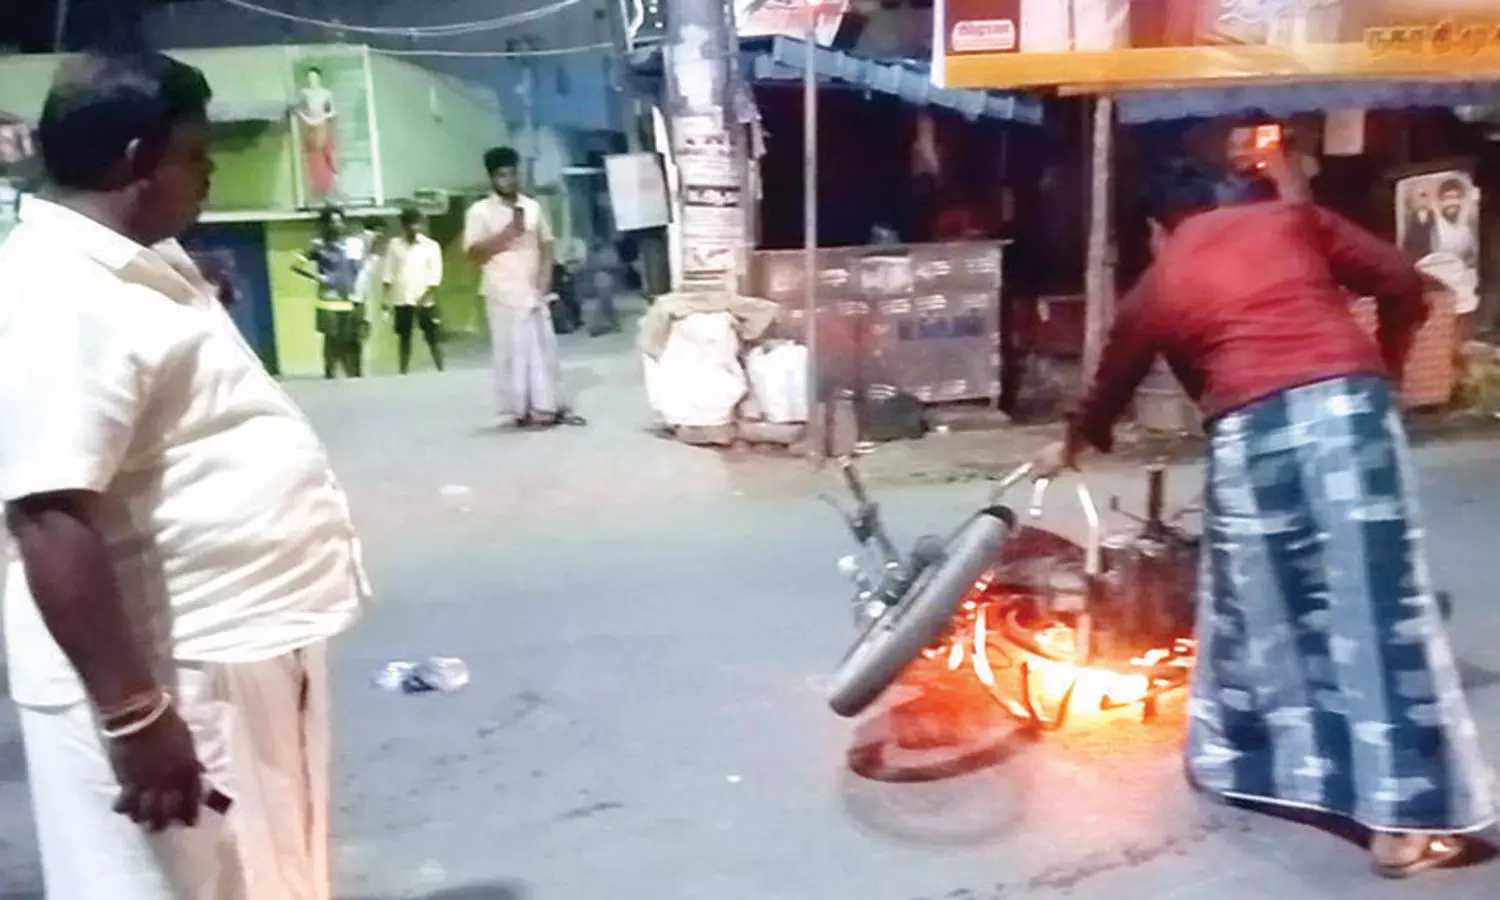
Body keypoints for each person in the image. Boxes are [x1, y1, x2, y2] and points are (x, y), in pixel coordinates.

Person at [1030, 160, 1493, 878]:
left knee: (1255, 607)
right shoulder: (1293, 219)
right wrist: (1386, 365)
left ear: (1158, 228)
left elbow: (1109, 385)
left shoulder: (1161, 278)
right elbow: (1403, 281)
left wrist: (1069, 444)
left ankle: (1246, 764)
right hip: (1349, 416)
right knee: (1374, 609)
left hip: (1249, 438)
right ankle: (1403, 822)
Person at [0, 52, 369, 899]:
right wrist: (135, 714)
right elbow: (49, 518)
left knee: (265, 878)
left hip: (232, 647)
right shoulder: (57, 295)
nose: (208, 176)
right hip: (173, 674)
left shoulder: (129, 263)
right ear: (137, 160)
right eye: (195, 156)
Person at [464, 146, 585, 427]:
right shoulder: (479, 212)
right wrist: (506, 235)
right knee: (512, 352)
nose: (509, 180)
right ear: (492, 178)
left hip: (533, 291)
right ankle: (520, 409)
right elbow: (473, 253)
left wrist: (545, 279)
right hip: (501, 293)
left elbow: (547, 244)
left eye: (512, 174)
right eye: (502, 175)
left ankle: (545, 406)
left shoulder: (532, 207)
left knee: (542, 350)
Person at [295, 205, 365, 378]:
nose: (337, 225)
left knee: (350, 338)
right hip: (328, 299)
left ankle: (353, 373)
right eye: (333, 222)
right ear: (326, 225)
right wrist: (318, 277)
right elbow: (296, 265)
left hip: (349, 297)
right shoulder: (318, 245)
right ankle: (330, 373)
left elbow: (357, 270)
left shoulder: (351, 244)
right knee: (331, 338)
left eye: (339, 221)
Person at [383, 206, 445, 373]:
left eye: (416, 224)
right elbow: (388, 273)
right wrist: (385, 299)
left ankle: (441, 369)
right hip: (402, 298)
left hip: (425, 299)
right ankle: (403, 371)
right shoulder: (394, 245)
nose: (414, 228)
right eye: (409, 224)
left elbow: (435, 274)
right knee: (404, 336)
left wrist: (426, 296)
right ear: (403, 226)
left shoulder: (431, 246)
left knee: (432, 336)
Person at [294, 66, 337, 201]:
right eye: (310, 78)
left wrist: (323, 117)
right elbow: (299, 109)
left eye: (314, 77)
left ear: (319, 78)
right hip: (309, 125)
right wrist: (304, 117)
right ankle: (314, 188)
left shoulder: (326, 93)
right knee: (312, 156)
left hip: (321, 124)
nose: (312, 80)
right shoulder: (304, 93)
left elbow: (333, 111)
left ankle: (327, 187)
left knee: (324, 154)